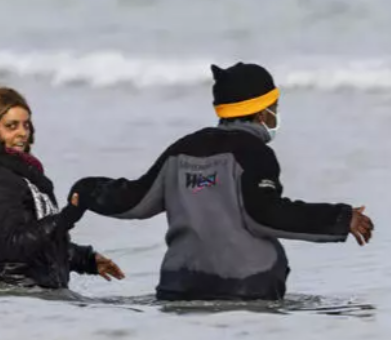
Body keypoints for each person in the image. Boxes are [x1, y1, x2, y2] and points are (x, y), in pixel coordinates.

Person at [69, 62, 374, 301]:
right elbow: (265, 214)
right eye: (275, 107)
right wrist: (341, 218)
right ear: (261, 113)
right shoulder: (255, 153)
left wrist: (86, 190)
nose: (277, 114)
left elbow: (133, 200)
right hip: (246, 289)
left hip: (180, 287)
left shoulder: (181, 150)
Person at [0, 86, 124, 289]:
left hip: (22, 298)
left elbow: (32, 248)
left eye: (26, 125)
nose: (23, 133)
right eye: (11, 126)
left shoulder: (12, 175)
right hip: (12, 301)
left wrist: (85, 260)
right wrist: (68, 216)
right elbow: (14, 247)